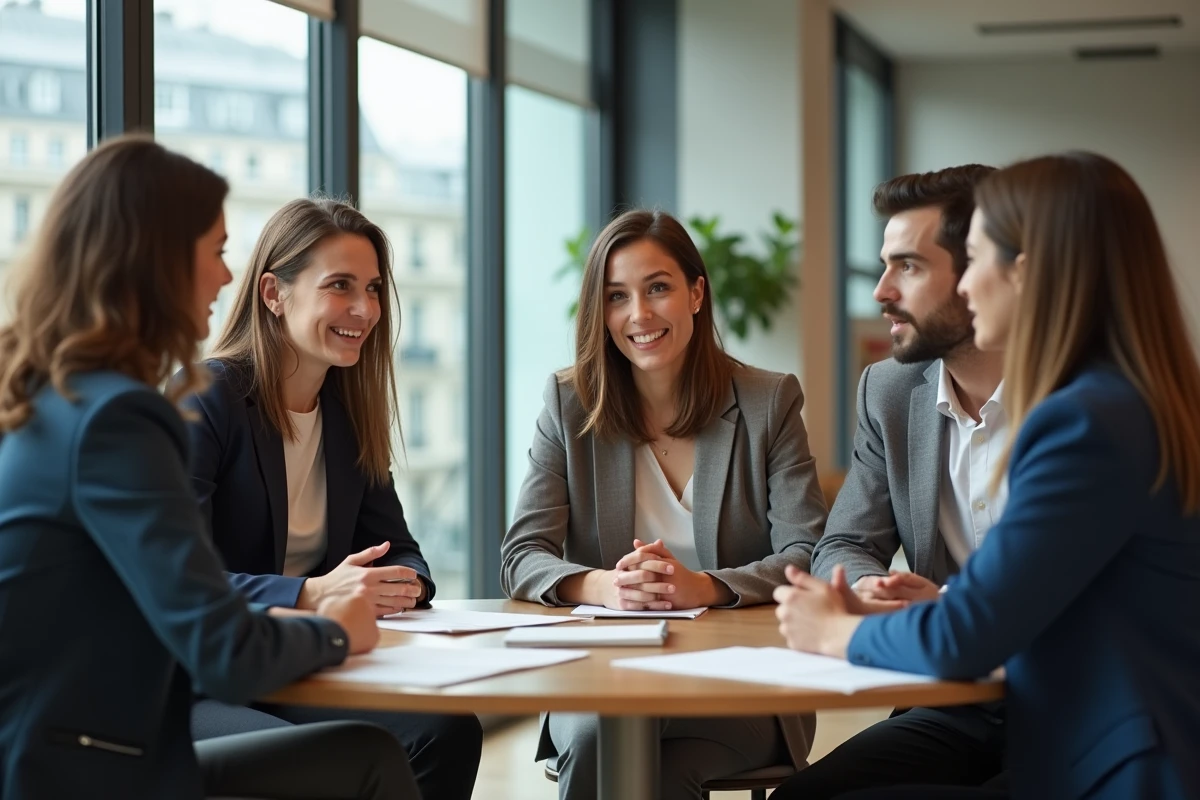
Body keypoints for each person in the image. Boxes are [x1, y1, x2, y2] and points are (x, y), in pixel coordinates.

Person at [0, 134, 419, 799]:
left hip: (76, 742)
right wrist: (333, 627)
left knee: (387, 749)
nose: (227, 279)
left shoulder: (62, 399)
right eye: (217, 252)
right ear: (157, 261)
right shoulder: (120, 419)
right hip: (83, 767)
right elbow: (219, 645)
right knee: (369, 758)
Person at [776, 151, 1200, 800]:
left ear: (1025, 273)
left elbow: (969, 632)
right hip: (1054, 721)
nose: (969, 285)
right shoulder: (1119, 398)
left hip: (1107, 756)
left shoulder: (1085, 419)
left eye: (973, 259)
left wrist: (834, 630)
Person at [501, 209, 827, 800]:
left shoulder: (768, 401)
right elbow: (522, 554)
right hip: (604, 675)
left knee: (642, 762)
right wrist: (605, 587)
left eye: (657, 288)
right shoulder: (569, 403)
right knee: (610, 744)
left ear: (696, 293)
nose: (639, 314)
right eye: (617, 296)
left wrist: (702, 587)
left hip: (741, 679)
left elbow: (807, 554)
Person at [182, 196, 482, 800]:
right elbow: (180, 580)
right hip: (199, 676)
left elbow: (399, 548)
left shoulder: (346, 416)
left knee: (445, 731)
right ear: (274, 293)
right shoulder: (208, 400)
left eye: (372, 289)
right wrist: (310, 593)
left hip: (298, 664)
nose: (365, 309)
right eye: (339, 285)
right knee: (332, 760)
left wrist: (400, 586)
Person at [773, 165, 1009, 799]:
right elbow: (844, 542)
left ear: (982, 272)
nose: (881, 291)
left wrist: (935, 609)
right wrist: (867, 589)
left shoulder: (1075, 406)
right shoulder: (891, 390)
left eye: (908, 266)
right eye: (884, 265)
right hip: (954, 699)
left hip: (1073, 700)